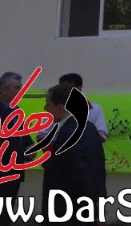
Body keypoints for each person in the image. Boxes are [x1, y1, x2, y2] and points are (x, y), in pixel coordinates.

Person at [42, 84, 107, 223]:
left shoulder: (67, 136)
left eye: (48, 104)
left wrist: (94, 211)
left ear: (60, 108)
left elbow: (80, 176)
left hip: (70, 211)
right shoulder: (89, 127)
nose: (45, 108)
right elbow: (99, 171)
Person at [0, 72, 35, 226]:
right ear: (3, 90)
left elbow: (25, 138)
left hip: (14, 173)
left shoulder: (16, 111)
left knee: (6, 215)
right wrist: (23, 153)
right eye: (16, 88)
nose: (20, 92)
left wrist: (31, 148)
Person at [58, 73, 108, 142]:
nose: (63, 92)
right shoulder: (57, 109)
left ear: (79, 88)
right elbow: (45, 135)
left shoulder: (95, 109)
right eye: (61, 89)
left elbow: (102, 135)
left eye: (67, 89)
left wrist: (83, 145)